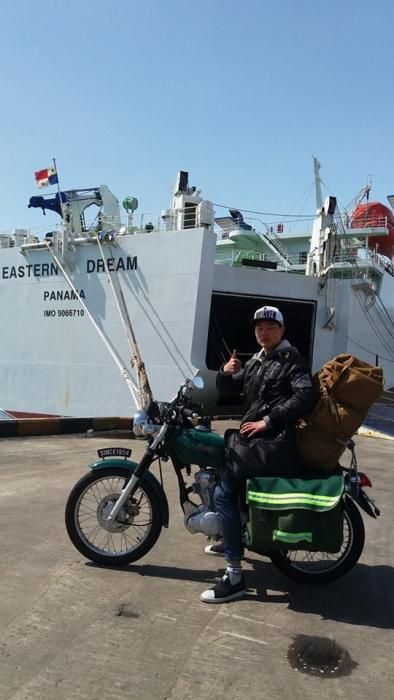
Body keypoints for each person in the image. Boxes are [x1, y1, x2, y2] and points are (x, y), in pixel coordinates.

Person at [200, 305, 316, 603]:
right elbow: (230, 389)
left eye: (269, 327)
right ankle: (231, 535)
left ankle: (234, 575)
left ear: (281, 330)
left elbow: (306, 396)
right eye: (258, 328)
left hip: (274, 443)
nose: (263, 332)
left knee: (225, 494)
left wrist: (268, 421)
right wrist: (225, 375)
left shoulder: (292, 360)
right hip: (256, 439)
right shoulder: (257, 361)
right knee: (222, 474)